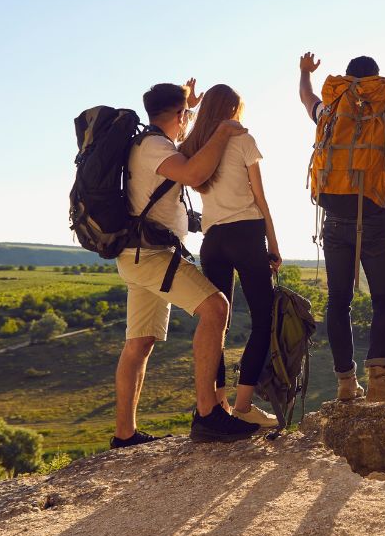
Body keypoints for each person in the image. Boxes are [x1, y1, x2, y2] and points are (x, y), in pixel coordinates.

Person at [111, 79, 261, 447]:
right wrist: (225, 129)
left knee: (139, 343)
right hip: (152, 256)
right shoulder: (154, 147)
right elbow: (195, 172)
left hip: (136, 255)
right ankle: (209, 414)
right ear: (177, 115)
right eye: (185, 116)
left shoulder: (147, 143)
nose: (187, 121)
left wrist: (191, 108)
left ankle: (124, 435)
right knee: (215, 308)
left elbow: (187, 147)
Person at [299, 52, 385, 403]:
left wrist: (304, 72)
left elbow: (307, 99)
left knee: (338, 301)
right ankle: (379, 379)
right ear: (376, 80)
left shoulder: (330, 112)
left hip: (334, 219)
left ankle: (346, 384)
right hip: (376, 216)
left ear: (347, 80)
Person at [179, 83, 281, 429]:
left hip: (213, 240)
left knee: (215, 324)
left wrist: (190, 107)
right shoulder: (243, 141)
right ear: (233, 111)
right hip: (247, 234)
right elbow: (261, 199)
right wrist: (274, 244)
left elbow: (182, 136)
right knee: (264, 319)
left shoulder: (196, 148)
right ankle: (244, 405)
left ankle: (219, 404)